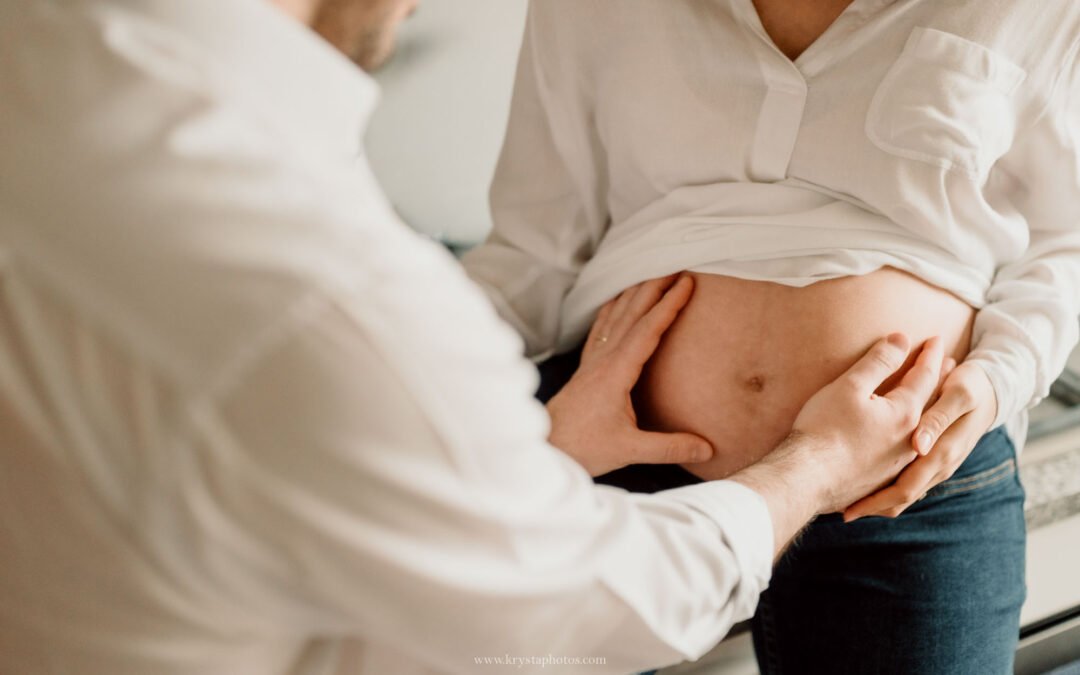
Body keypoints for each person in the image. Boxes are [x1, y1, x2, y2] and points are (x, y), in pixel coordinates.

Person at [0, 1, 957, 674]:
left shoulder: (38, 82)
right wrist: (814, 463)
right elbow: (570, 623)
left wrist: (519, 451)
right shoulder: (332, 297)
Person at [462, 1, 1080, 673]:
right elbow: (533, 254)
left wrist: (997, 381)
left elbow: (1066, 240)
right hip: (609, 459)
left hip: (903, 481)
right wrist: (476, 427)